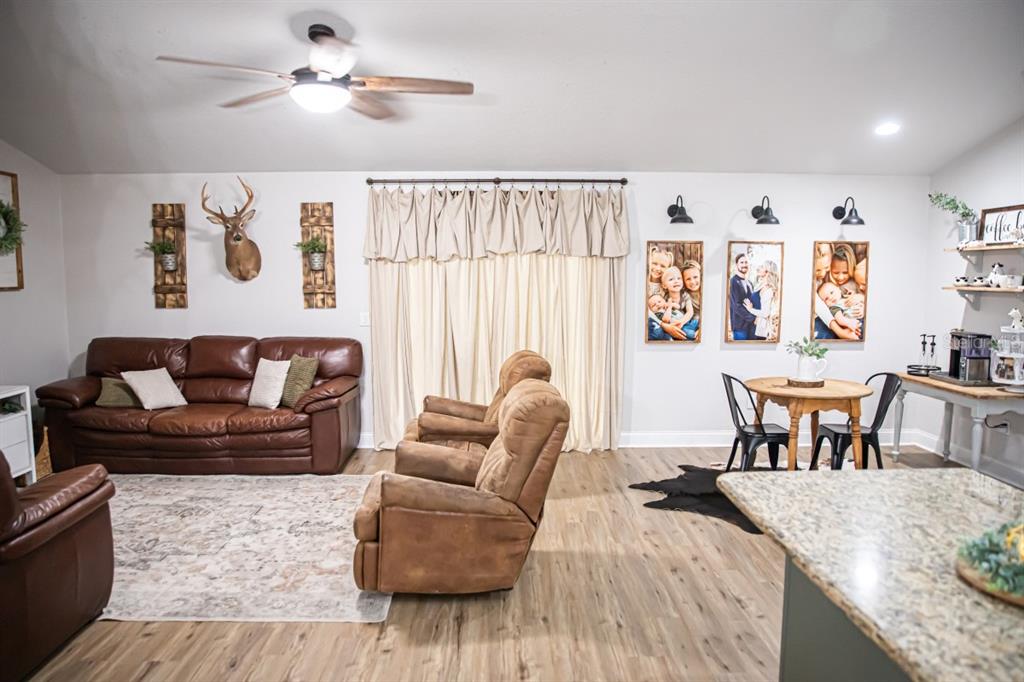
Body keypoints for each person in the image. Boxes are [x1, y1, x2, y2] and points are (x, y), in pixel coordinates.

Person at [743, 260, 780, 341]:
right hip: (753, 325)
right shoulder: (760, 285)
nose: (759, 268)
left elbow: (765, 313)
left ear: (768, 271)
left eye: (762, 267)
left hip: (760, 329)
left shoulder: (769, 290)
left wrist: (750, 309)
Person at [660, 266, 695, 341]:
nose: (676, 281)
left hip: (684, 321)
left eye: (679, 278)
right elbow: (663, 316)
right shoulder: (664, 297)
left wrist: (681, 322)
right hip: (671, 324)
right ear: (664, 285)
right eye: (671, 279)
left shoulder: (685, 295)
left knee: (693, 327)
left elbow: (690, 311)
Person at [728, 253, 757, 340]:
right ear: (737, 264)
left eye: (746, 262)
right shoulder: (733, 282)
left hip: (751, 327)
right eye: (741, 262)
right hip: (740, 327)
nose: (744, 265)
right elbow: (736, 306)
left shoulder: (750, 283)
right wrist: (753, 319)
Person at [680, 260, 702, 340]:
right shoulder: (685, 295)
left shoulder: (707, 292)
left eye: (695, 277)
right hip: (693, 325)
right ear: (684, 281)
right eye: (688, 279)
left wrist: (702, 329)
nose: (692, 281)